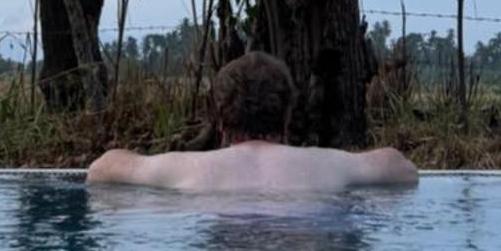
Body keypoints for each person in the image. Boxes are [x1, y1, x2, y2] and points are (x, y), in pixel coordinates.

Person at [86, 51, 419, 193]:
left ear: (221, 123)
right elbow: (403, 169)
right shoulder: (329, 165)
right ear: (287, 117)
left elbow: (101, 169)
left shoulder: (185, 168)